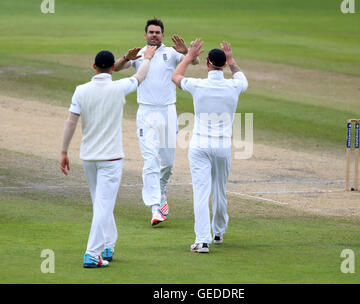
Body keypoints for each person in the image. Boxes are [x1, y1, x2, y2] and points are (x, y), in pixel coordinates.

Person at [60, 46, 157, 268]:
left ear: (94, 67)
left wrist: (64, 151)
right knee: (103, 205)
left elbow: (71, 122)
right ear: (113, 68)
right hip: (111, 158)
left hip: (89, 158)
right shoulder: (118, 87)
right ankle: (92, 254)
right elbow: (140, 76)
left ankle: (107, 246)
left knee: (100, 202)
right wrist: (148, 58)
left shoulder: (81, 90)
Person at [114, 18, 200, 226]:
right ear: (145, 35)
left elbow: (195, 63)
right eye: (151, 32)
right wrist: (127, 57)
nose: (154, 35)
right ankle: (155, 206)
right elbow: (116, 69)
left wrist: (187, 52)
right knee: (151, 160)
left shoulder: (171, 53)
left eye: (157, 32)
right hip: (146, 112)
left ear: (162, 35)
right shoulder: (139, 54)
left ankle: (160, 193)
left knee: (168, 163)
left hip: (168, 111)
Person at [172, 39, 248, 253]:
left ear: (207, 63)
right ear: (223, 65)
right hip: (222, 146)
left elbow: (175, 77)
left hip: (200, 145)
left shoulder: (198, 84)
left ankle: (202, 241)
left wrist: (188, 56)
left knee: (201, 192)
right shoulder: (234, 85)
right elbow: (241, 77)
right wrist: (232, 60)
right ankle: (218, 232)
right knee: (219, 190)